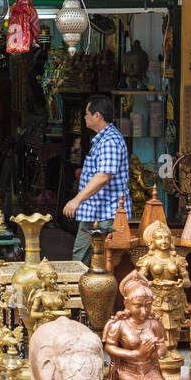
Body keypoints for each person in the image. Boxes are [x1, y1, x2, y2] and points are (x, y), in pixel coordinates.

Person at [63, 95, 130, 262]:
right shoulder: (103, 139)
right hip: (95, 212)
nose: (84, 117)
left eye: (86, 113)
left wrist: (77, 200)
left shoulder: (110, 141)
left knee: (102, 262)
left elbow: (103, 176)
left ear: (97, 115)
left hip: (107, 214)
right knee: (84, 260)